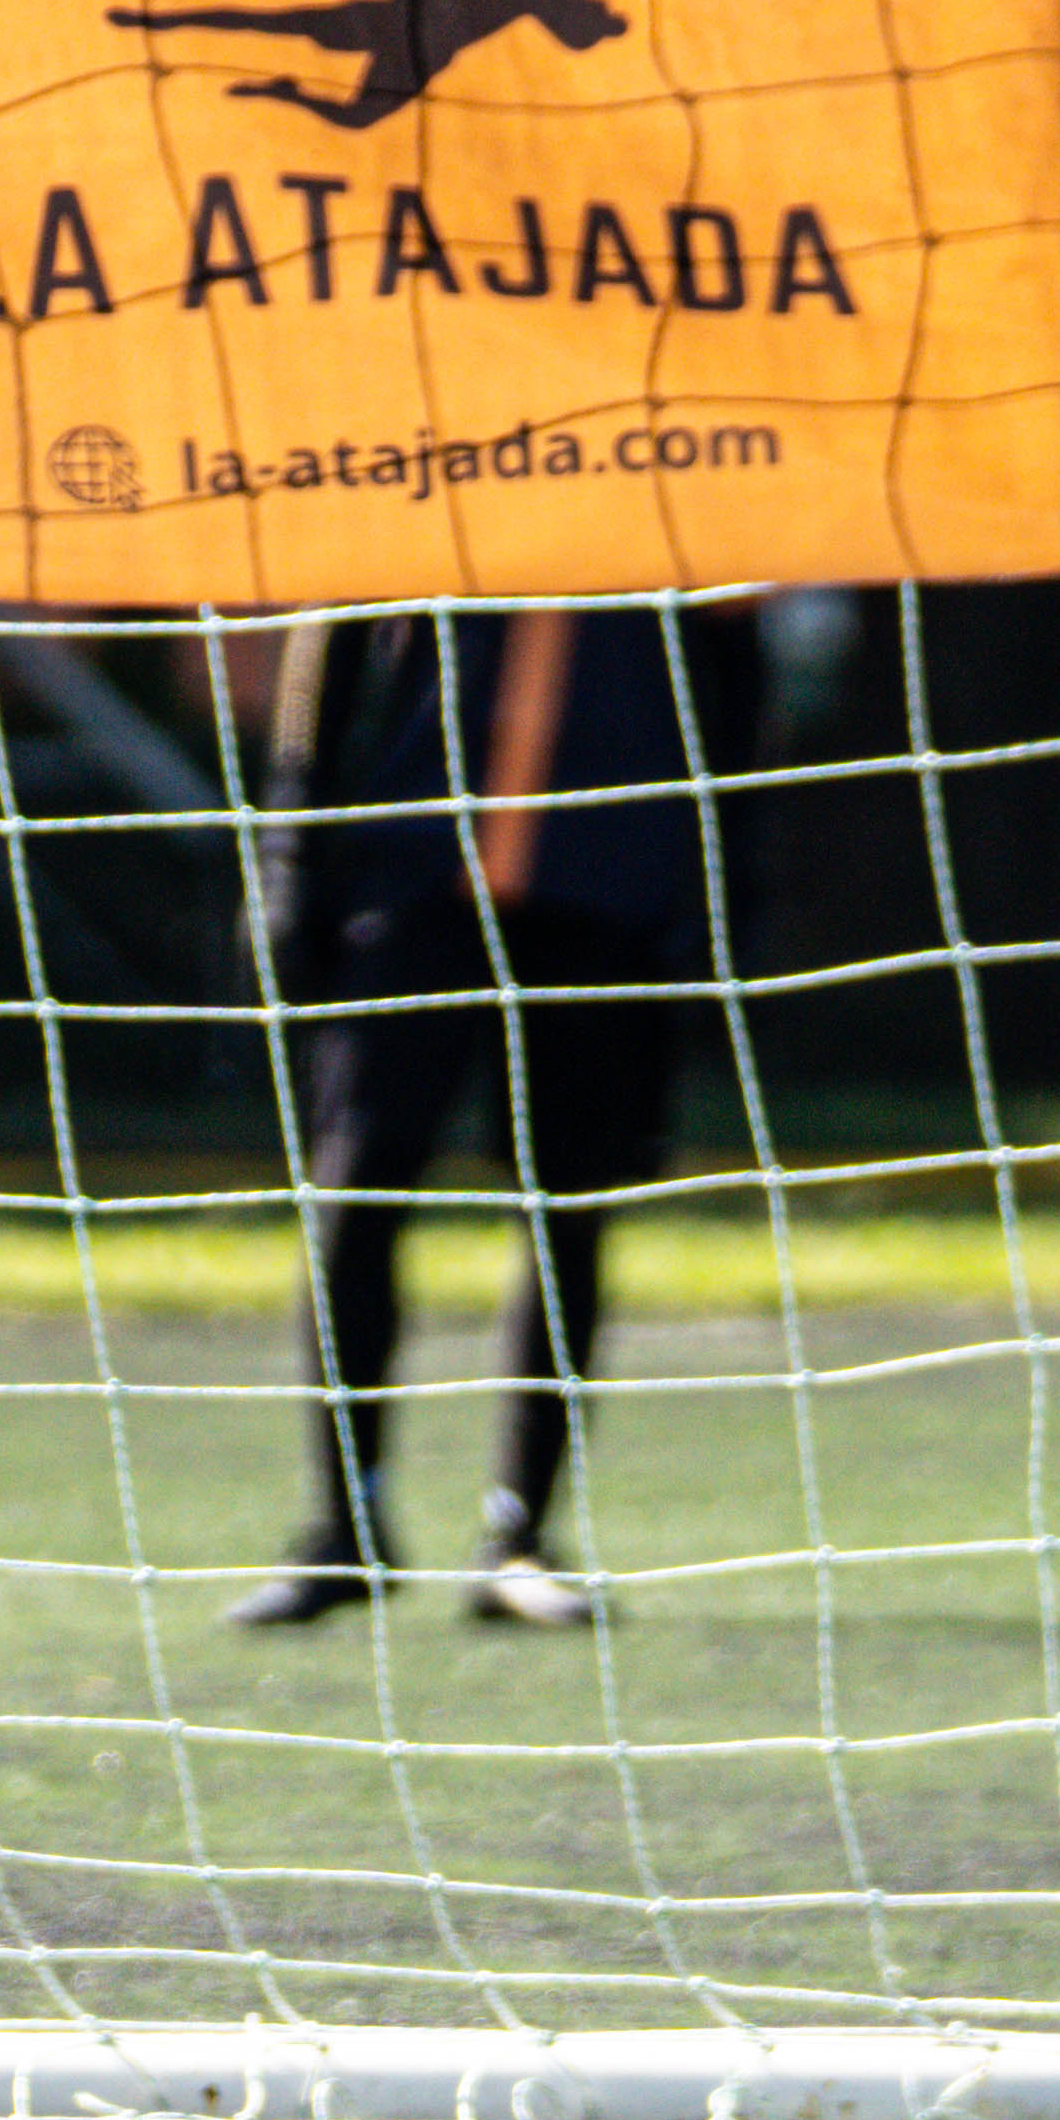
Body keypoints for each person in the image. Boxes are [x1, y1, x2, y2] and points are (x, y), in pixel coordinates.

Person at [231, 597, 770, 1630]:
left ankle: (519, 1534)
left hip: (610, 873)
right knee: (357, 1182)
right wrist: (289, 858)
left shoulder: (666, 485)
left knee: (570, 1199)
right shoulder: (419, 471)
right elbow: (328, 648)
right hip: (413, 873)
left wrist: (724, 890)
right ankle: (347, 1523)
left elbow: (734, 672)